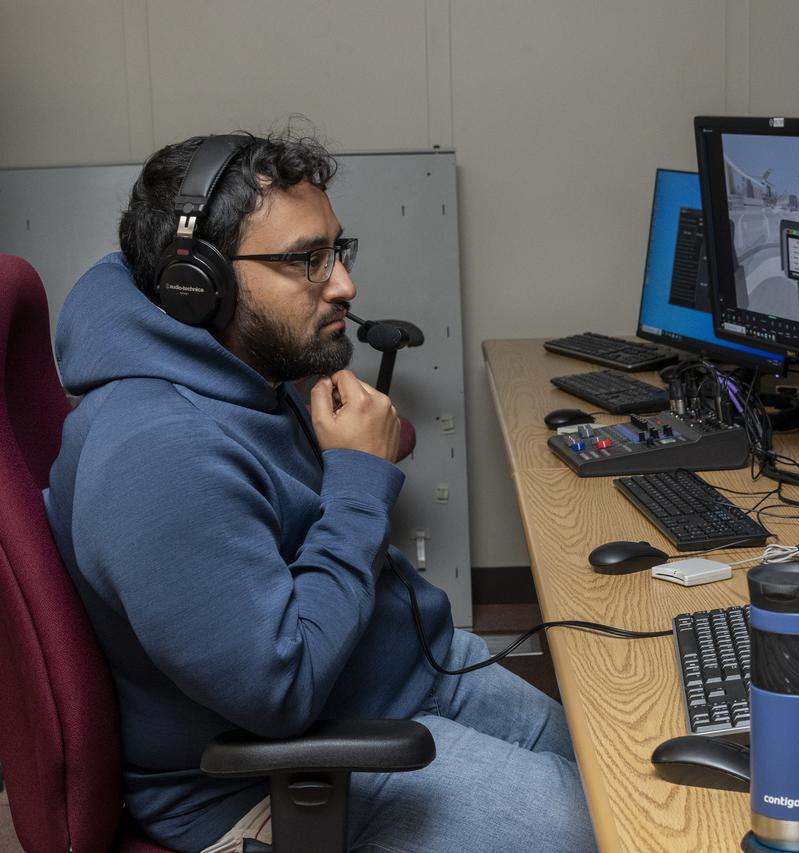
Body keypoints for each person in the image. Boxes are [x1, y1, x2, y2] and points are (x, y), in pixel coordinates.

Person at [42, 129, 596, 853]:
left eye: (339, 250)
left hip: (395, 672)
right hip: (275, 774)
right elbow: (282, 691)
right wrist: (359, 481)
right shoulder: (158, 452)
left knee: (622, 776)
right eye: (307, 260)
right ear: (197, 284)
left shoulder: (242, 372)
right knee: (603, 833)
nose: (343, 285)